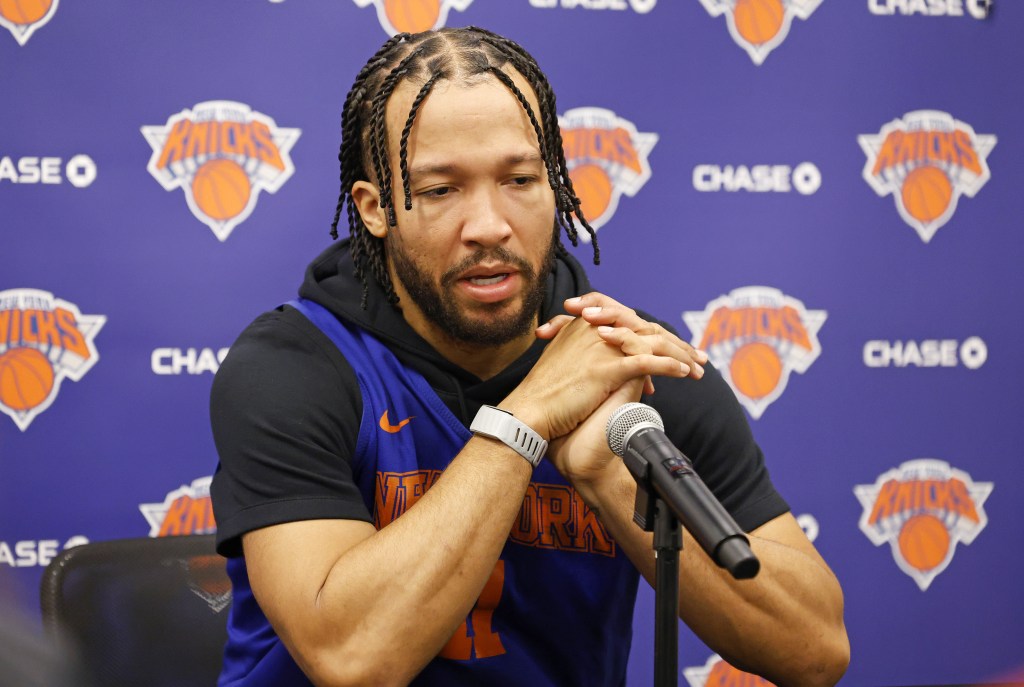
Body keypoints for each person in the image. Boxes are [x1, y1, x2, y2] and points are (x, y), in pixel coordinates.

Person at [209, 26, 849, 687]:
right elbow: (352, 658)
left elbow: (815, 651)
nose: (489, 224)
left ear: (557, 186)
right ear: (374, 209)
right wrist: (527, 420)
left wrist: (611, 476)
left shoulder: (630, 362)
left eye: (519, 179)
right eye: (440, 190)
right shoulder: (295, 365)